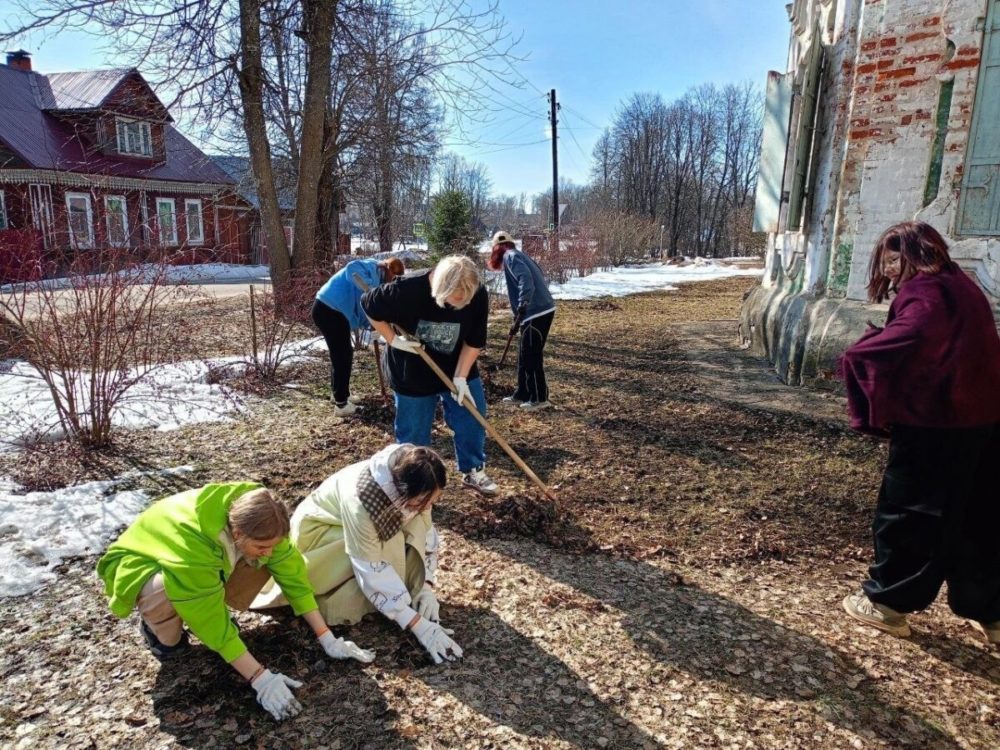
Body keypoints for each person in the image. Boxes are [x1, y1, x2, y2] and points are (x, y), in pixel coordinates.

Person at [838, 221, 1000, 643]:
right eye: (885, 261)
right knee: (976, 516)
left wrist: (860, 355)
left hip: (936, 422)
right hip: (984, 419)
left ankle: (886, 604)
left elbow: (915, 335)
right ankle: (989, 611)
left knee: (911, 509)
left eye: (895, 259)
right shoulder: (960, 286)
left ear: (917, 254)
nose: (889, 270)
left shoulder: (928, 292)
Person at [97, 483, 376, 721]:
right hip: (145, 565)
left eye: (271, 545)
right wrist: (259, 678)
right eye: (261, 546)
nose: (268, 551)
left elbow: (293, 578)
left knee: (263, 562)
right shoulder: (192, 550)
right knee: (170, 612)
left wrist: (327, 637)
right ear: (238, 534)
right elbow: (211, 620)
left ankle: (210, 596)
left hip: (206, 568)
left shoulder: (263, 514)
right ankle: (155, 630)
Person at [253, 443, 462, 665]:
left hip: (363, 532)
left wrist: (426, 586)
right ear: (401, 491)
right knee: (384, 554)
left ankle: (400, 593)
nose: (427, 506)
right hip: (320, 535)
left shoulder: (416, 483)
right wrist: (416, 624)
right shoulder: (361, 502)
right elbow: (370, 566)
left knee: (407, 535)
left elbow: (425, 530)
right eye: (422, 502)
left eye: (432, 501)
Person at [361, 254, 498, 496]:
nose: (461, 306)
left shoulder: (476, 293)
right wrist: (392, 340)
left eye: (465, 302)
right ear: (440, 289)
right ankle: (413, 483)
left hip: (457, 365)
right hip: (412, 371)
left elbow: (474, 341)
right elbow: (368, 304)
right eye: (455, 302)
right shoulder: (406, 291)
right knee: (413, 431)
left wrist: (461, 377)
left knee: (472, 417)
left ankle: (473, 469)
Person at [313, 256, 405, 416]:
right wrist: (370, 290)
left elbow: (364, 307)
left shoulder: (380, 283)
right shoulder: (371, 267)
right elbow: (351, 269)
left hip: (335, 311)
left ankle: (340, 395)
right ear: (388, 269)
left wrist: (372, 325)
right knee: (342, 355)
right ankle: (341, 405)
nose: (393, 281)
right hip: (329, 308)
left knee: (341, 354)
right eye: (393, 277)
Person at [486, 230, 556, 411]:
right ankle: (523, 392)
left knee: (531, 355)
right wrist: (519, 315)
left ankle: (540, 398)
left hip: (536, 311)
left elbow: (526, 279)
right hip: (537, 311)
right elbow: (537, 276)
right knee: (524, 353)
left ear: (496, 248)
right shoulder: (518, 255)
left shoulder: (510, 257)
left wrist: (524, 303)